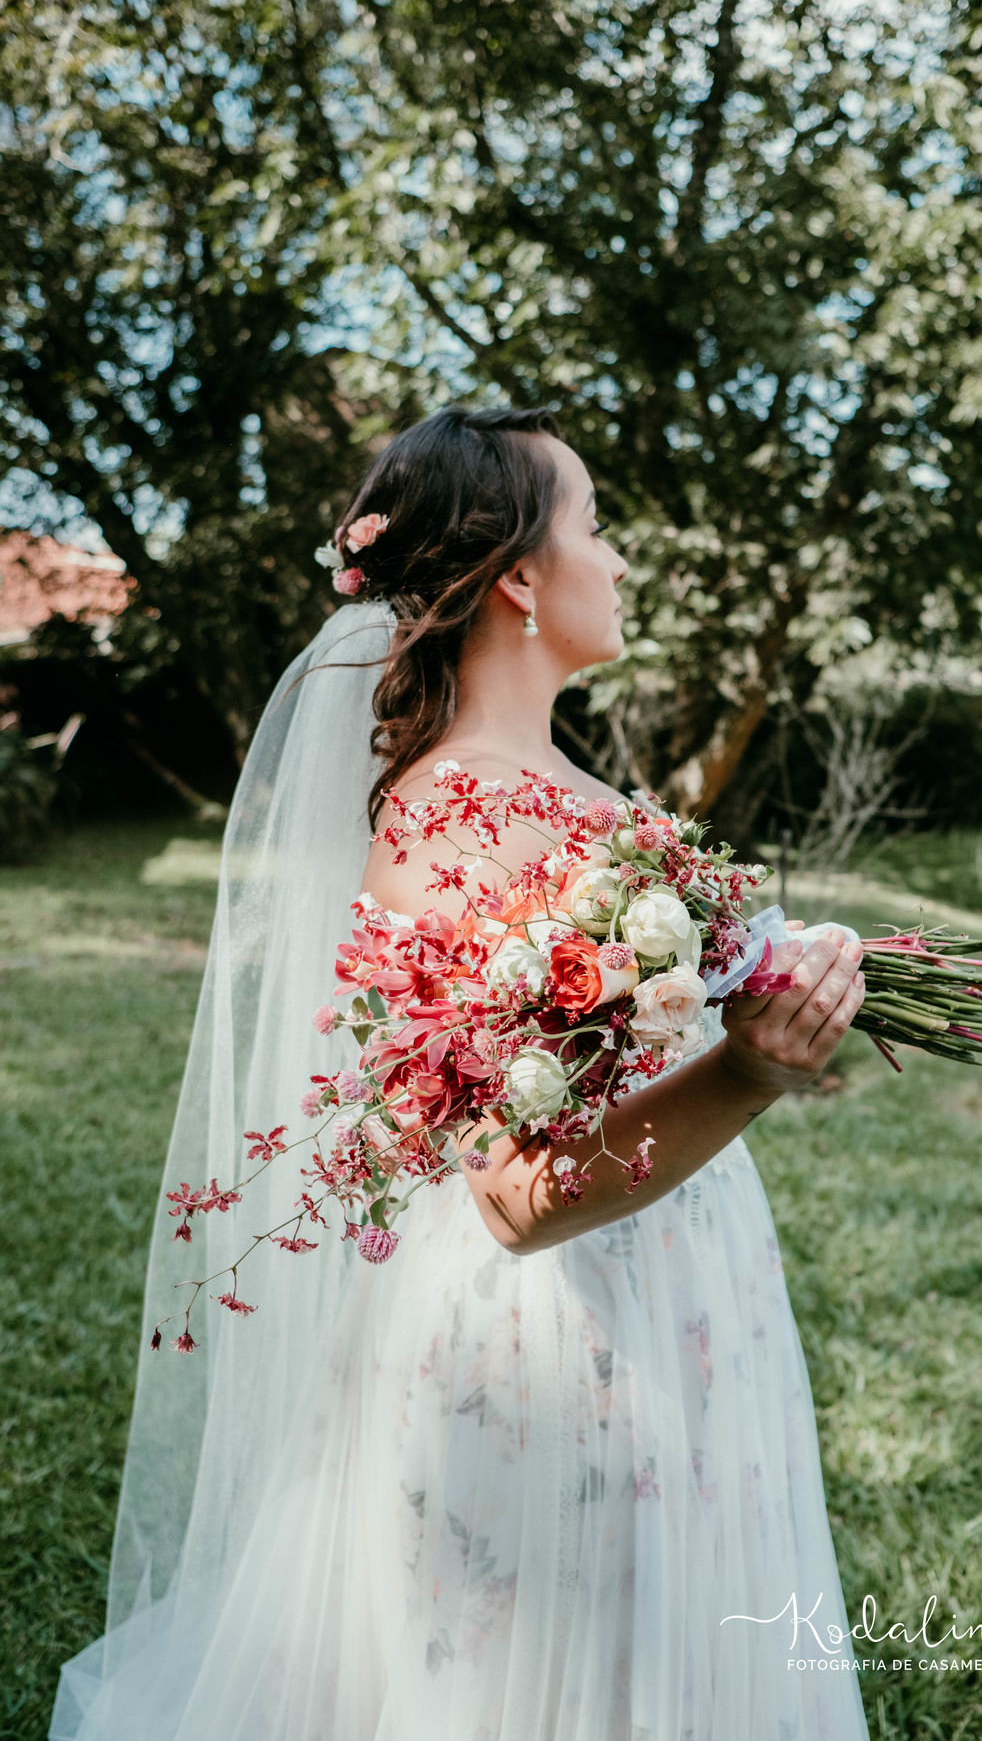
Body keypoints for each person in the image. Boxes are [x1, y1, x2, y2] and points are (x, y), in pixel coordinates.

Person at [51, 406, 871, 1739]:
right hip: (557, 1338)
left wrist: (792, 1010)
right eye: (594, 527)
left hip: (675, 1280)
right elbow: (510, 1196)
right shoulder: (449, 825)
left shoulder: (586, 797)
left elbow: (648, 1038)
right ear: (522, 579)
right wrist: (748, 1077)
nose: (620, 561)